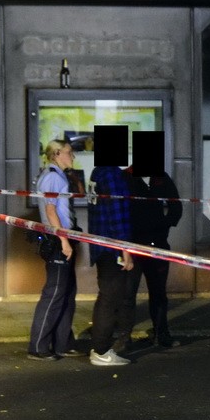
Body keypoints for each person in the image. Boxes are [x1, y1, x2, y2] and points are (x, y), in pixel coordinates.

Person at [27, 139, 82, 361]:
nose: (73, 156)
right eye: (69, 152)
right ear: (57, 153)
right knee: (54, 294)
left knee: (66, 294)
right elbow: (51, 212)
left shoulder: (58, 175)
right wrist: (64, 241)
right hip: (59, 241)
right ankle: (38, 347)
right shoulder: (52, 177)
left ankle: (62, 344)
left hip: (63, 238)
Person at [87, 152, 137, 367]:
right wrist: (124, 249)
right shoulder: (113, 175)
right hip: (112, 247)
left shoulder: (97, 173)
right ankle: (101, 350)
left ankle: (100, 348)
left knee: (107, 296)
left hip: (100, 244)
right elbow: (118, 215)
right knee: (111, 298)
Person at [126, 169, 183, 348]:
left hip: (157, 244)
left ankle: (162, 334)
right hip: (133, 245)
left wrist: (164, 225)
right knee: (127, 294)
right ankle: (124, 337)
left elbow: (176, 205)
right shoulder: (126, 177)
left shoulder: (161, 177)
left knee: (158, 293)